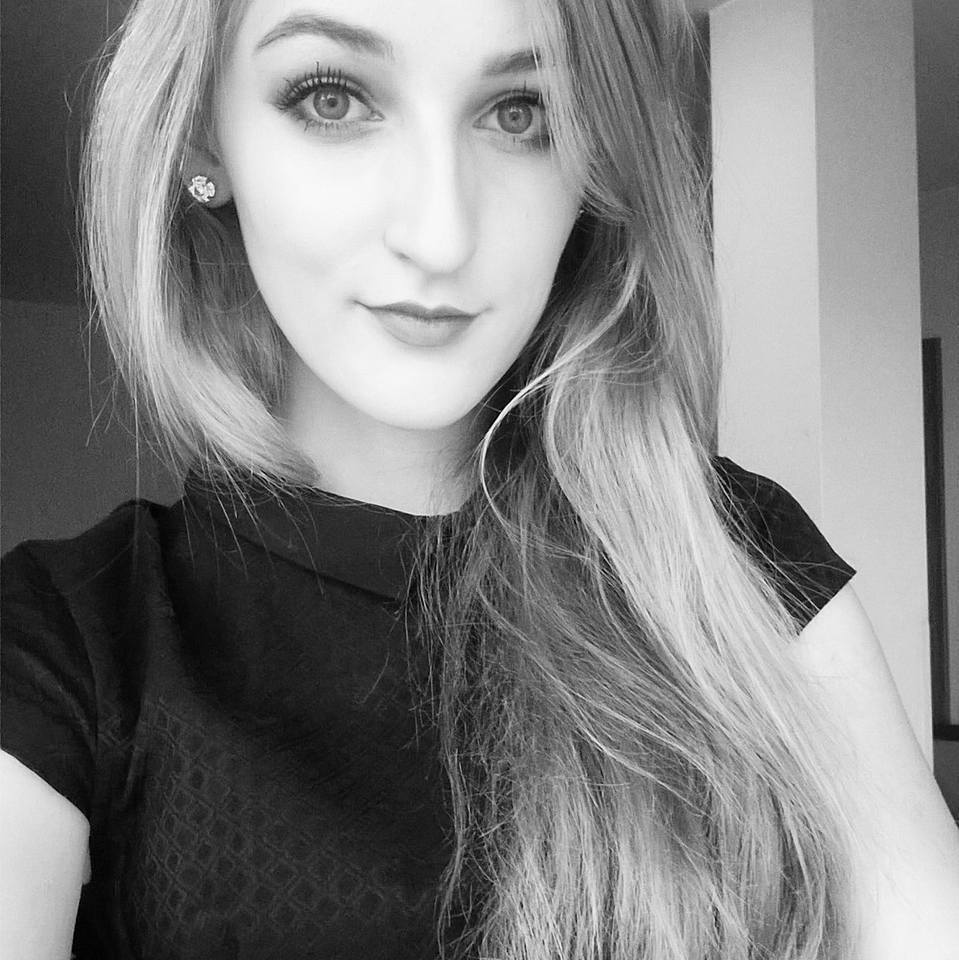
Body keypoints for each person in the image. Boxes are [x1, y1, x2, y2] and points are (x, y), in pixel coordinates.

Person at [2, 0, 958, 957]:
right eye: (333, 98)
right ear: (201, 138)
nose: (441, 234)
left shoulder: (737, 557)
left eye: (520, 113)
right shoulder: (62, 646)